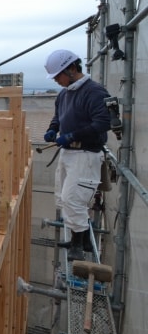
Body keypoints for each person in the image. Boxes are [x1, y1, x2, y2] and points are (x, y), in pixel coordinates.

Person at [43, 49, 111, 261]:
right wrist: (53, 129)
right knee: (64, 198)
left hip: (85, 154)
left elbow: (102, 123)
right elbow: (58, 117)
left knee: (74, 199)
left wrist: (72, 135)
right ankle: (78, 241)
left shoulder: (95, 92)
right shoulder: (64, 94)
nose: (56, 80)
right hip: (69, 152)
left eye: (58, 76)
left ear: (72, 69)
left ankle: (79, 246)